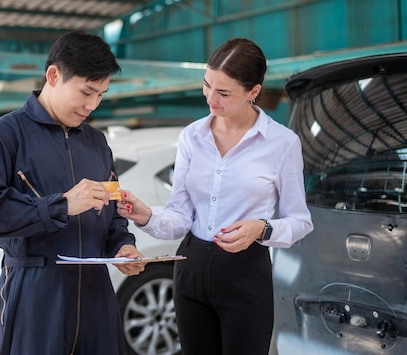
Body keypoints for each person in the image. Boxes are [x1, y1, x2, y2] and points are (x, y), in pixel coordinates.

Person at [116, 37, 314, 355]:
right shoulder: (192, 137)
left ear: (254, 92)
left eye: (224, 93)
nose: (211, 99)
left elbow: (300, 221)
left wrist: (262, 228)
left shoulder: (282, 143)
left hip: (245, 273)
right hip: (190, 267)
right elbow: (180, 216)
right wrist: (147, 215)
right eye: (207, 85)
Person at [0, 30, 145, 355]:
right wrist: (60, 206)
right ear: (53, 75)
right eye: (86, 92)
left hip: (95, 294)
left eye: (101, 95)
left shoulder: (97, 143)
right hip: (35, 290)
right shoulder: (5, 135)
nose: (92, 105)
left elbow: (113, 211)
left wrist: (123, 246)